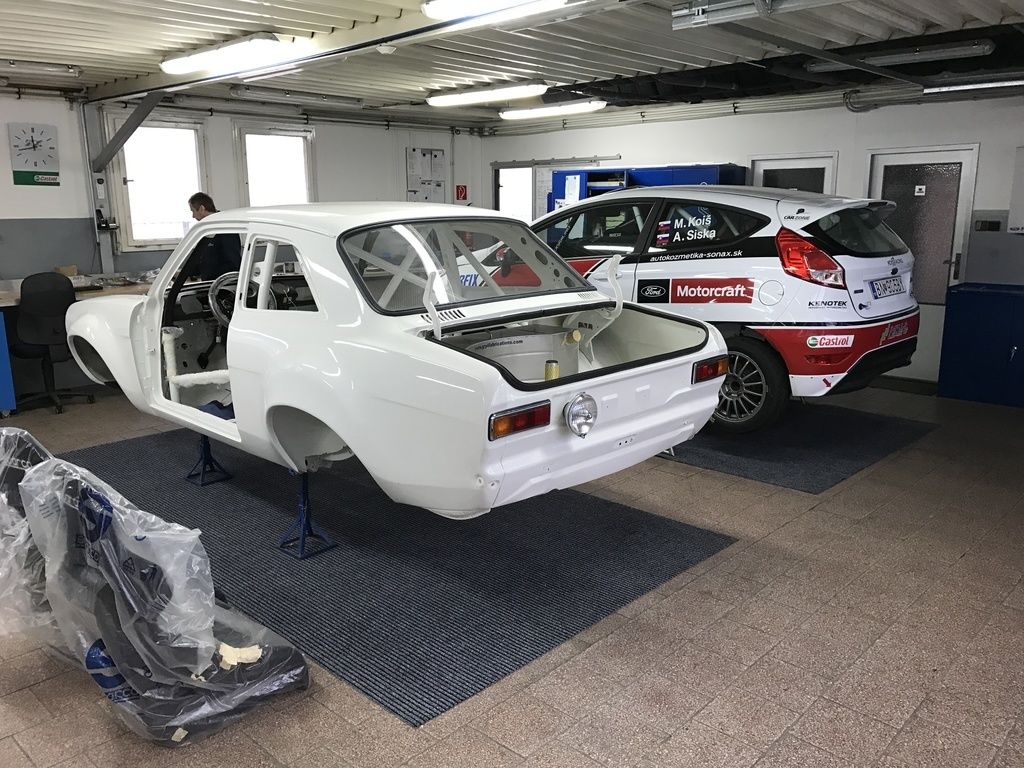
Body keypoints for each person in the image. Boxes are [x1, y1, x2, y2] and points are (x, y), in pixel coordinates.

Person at [182, 193, 242, 281]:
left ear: (202, 208)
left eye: (193, 211)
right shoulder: (207, 228)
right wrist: (185, 274)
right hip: (209, 282)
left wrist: (211, 276)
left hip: (222, 284)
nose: (193, 216)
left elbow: (233, 263)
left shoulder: (225, 227)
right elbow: (204, 258)